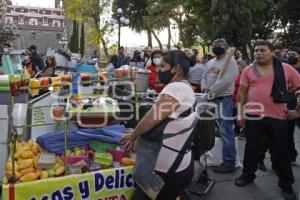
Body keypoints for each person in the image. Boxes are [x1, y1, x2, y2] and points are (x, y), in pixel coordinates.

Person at [120, 50, 196, 200]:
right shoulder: (185, 87)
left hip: (168, 171)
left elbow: (151, 118)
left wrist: (133, 134)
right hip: (177, 165)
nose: (158, 70)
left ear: (176, 68)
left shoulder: (175, 88)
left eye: (162, 66)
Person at [235, 41, 300, 200]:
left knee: (280, 152)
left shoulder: (286, 69)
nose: (258, 53)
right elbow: (242, 94)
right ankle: (248, 175)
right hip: (253, 116)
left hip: (278, 117)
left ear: (272, 52)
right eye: (256, 50)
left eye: (262, 50)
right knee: (251, 148)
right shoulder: (249, 70)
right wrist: (239, 114)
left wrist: (298, 111)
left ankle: (286, 184)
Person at [201, 38, 238, 173]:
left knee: (225, 131)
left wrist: (211, 92)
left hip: (223, 100)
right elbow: (204, 76)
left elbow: (226, 80)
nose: (217, 46)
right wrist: (205, 88)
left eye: (220, 44)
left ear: (226, 47)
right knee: (208, 129)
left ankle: (229, 162)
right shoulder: (210, 62)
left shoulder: (230, 61)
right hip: (209, 99)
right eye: (215, 44)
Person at [285, 46, 300, 163]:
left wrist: (291, 88)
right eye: (288, 54)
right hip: (288, 104)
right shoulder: (285, 69)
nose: (290, 56)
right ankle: (290, 155)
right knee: (287, 133)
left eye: (293, 54)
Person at [232, 60, 247, 138]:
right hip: (235, 97)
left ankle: (244, 131)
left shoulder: (245, 74)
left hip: (242, 97)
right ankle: (237, 129)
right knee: (236, 113)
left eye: (238, 67)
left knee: (242, 113)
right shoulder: (236, 74)